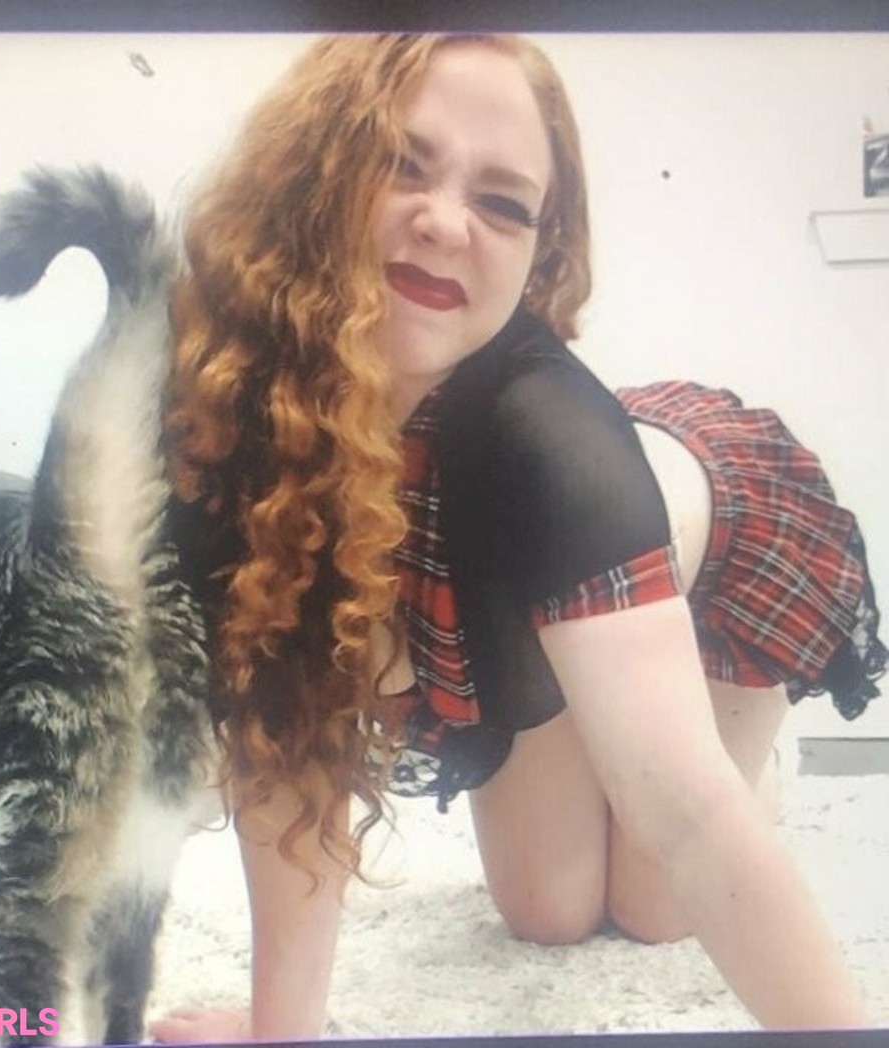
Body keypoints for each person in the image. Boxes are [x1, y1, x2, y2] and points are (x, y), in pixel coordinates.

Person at [152, 33, 885, 1041]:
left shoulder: (548, 441)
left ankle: (732, 743)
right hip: (513, 572)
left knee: (656, 899)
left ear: (542, 250)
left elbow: (691, 818)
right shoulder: (230, 400)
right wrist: (284, 1028)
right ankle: (591, 675)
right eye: (402, 164)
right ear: (315, 170)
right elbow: (291, 741)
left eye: (503, 204)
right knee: (548, 912)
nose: (444, 223)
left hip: (714, 532)